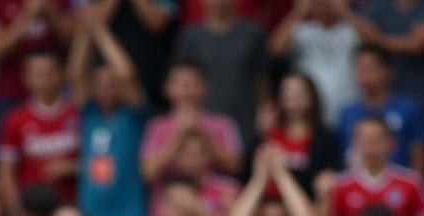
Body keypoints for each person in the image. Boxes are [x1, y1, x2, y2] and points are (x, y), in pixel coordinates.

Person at [68, 4, 149, 216]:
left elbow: (126, 74)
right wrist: (85, 29)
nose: (106, 88)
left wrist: (100, 30)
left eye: (111, 83)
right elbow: (75, 74)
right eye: (99, 83)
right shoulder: (90, 113)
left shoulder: (134, 115)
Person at [318, 114, 424, 216]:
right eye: (365, 140)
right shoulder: (340, 184)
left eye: (377, 140)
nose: (371, 147)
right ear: (354, 143)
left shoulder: (411, 181)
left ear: (392, 143)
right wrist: (324, 197)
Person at [172, 0, 268, 153]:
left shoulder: (253, 34)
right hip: (204, 124)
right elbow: (181, 81)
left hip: (245, 121)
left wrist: (263, 112)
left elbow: (262, 81)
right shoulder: (190, 36)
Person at [0, 48, 81, 216]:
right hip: (33, 214)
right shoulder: (15, 119)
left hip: (75, 210)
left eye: (49, 73)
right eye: (37, 75)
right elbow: (6, 172)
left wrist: (73, 167)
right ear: (26, 78)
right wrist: (18, 212)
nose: (44, 81)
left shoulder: (78, 113)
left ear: (62, 74)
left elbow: (100, 159)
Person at [140, 58, 243, 193]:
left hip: (215, 209)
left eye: (194, 83)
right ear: (167, 88)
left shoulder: (224, 124)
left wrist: (203, 133)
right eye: (181, 84)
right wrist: (179, 136)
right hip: (166, 211)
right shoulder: (156, 126)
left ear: (205, 87)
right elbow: (148, 172)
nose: (187, 90)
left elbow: (235, 166)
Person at [336, 44, 424, 176]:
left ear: (388, 71)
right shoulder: (347, 112)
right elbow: (345, 157)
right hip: (359, 188)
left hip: (399, 190)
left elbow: (419, 156)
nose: (365, 76)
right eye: (360, 69)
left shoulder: (409, 108)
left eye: (371, 69)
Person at [268, 0, 359, 127]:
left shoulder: (352, 30)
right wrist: (298, 12)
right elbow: (274, 49)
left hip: (347, 111)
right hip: (308, 117)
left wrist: (345, 11)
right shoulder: (301, 30)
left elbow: (375, 44)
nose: (324, 6)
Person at [256, 73, 339, 200]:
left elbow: (320, 181)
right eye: (287, 92)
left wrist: (282, 171)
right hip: (269, 205)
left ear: (312, 96)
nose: (293, 97)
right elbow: (249, 172)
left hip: (306, 203)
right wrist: (261, 134)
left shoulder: (325, 138)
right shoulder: (269, 134)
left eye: (299, 91)